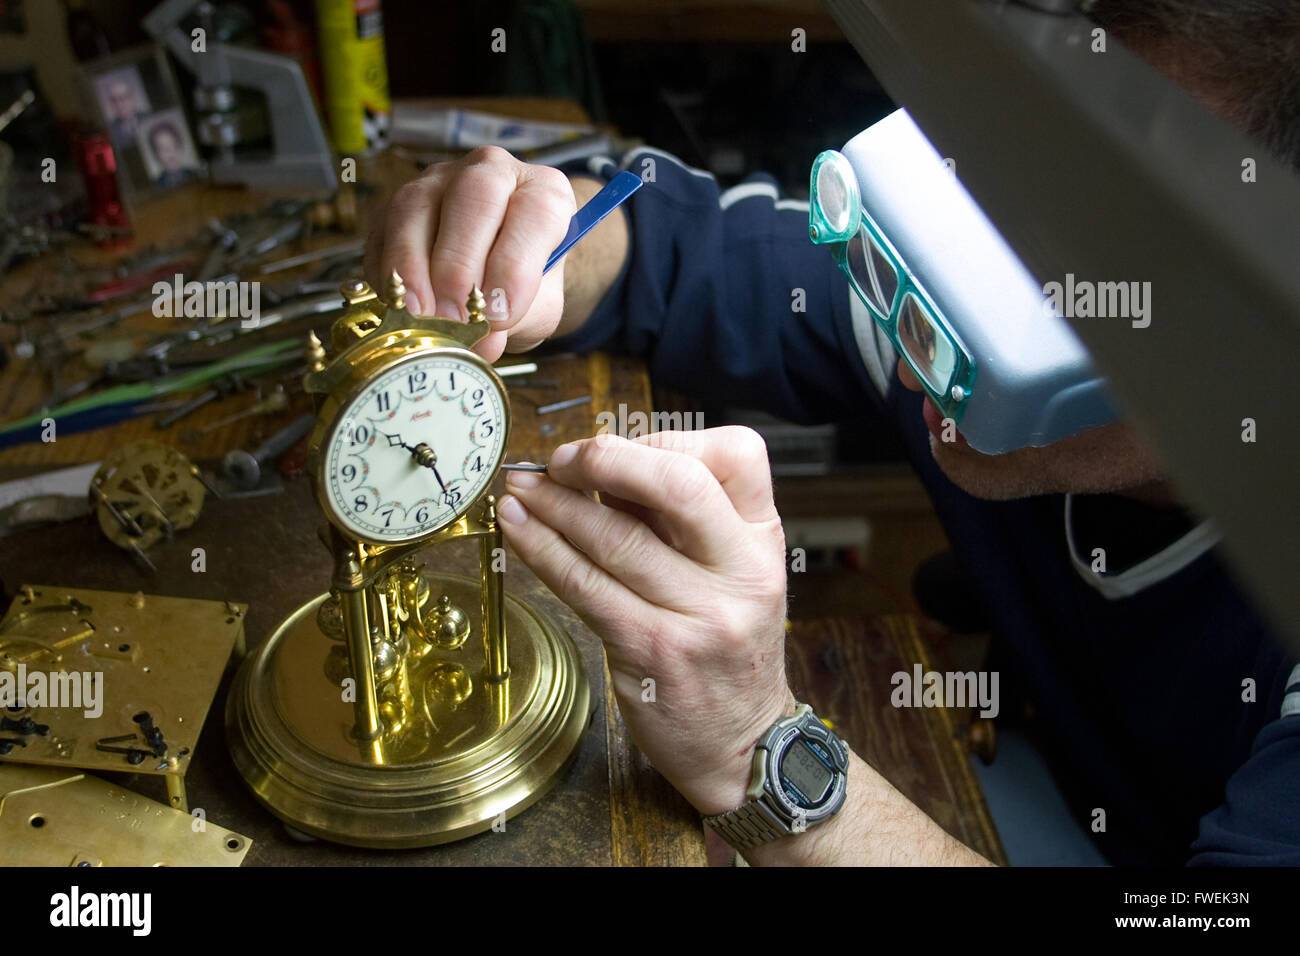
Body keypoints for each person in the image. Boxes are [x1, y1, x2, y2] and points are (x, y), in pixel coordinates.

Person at [365, 0, 1300, 865]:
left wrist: (762, 754)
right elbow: (679, 255)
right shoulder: (964, 318)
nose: (908, 360)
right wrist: (529, 240)